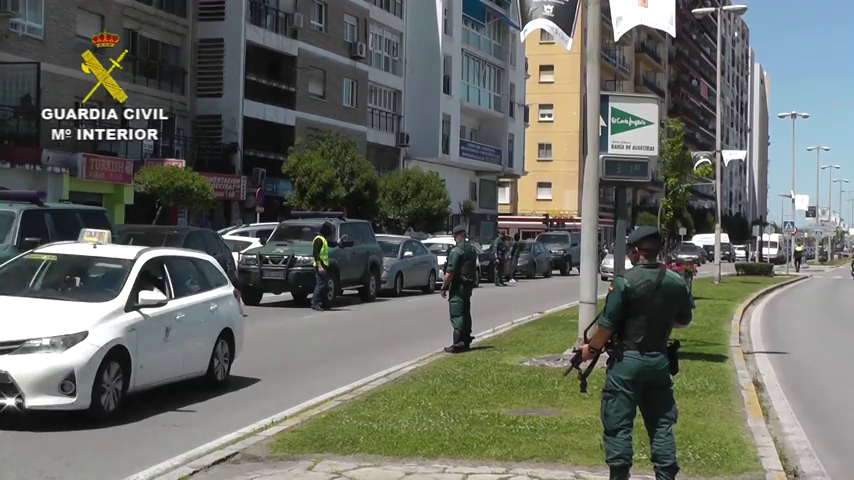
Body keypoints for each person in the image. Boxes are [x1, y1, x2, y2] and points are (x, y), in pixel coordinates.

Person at [579, 226, 693, 480]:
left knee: (619, 424)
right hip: (659, 363)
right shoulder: (676, 282)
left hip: (626, 363)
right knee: (662, 425)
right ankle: (666, 476)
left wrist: (591, 350)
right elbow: (683, 321)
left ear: (636, 251)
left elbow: (606, 327)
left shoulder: (623, 283)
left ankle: (619, 476)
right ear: (657, 251)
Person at [440, 225, 479, 353]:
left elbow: (450, 272)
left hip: (459, 285)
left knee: (457, 312)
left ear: (457, 235)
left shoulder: (457, 251)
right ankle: (466, 340)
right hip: (468, 285)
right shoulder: (472, 249)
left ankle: (457, 343)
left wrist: (444, 286)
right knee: (466, 311)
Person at [311, 222, 333, 311]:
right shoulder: (318, 239)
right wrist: (320, 266)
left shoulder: (324, 239)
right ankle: (315, 303)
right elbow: (315, 254)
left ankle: (322, 303)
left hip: (324, 265)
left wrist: (339, 242)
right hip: (319, 266)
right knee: (320, 285)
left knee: (324, 286)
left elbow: (331, 244)